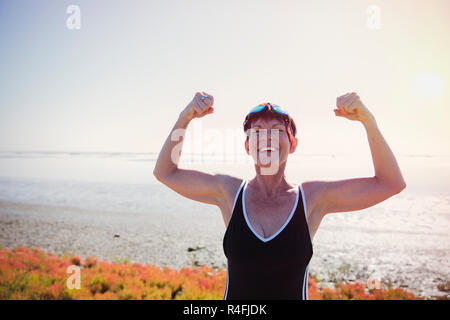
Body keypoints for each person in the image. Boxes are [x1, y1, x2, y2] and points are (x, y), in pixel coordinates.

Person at [153, 91, 406, 300]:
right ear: (247, 146)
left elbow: (390, 183)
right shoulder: (228, 192)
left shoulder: (312, 198)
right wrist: (185, 117)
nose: (267, 137)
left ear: (293, 144)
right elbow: (166, 172)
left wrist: (368, 121)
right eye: (258, 132)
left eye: (276, 130)